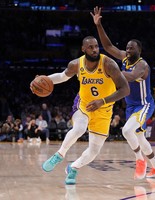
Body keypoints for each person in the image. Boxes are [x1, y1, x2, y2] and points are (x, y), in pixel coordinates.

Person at [34, 36, 129, 185]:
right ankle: (59, 155)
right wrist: (44, 79)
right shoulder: (76, 64)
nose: (94, 49)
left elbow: (125, 89)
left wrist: (102, 101)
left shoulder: (109, 64)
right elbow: (61, 77)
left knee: (93, 151)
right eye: (90, 47)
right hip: (83, 104)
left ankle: (73, 168)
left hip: (104, 109)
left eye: (96, 46)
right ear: (83, 49)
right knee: (79, 128)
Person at [91, 7, 155, 179]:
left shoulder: (142, 65)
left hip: (144, 105)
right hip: (131, 106)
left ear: (139, 50)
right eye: (127, 48)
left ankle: (139, 160)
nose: (128, 50)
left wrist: (112, 70)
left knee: (126, 131)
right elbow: (108, 46)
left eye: (132, 48)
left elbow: (131, 77)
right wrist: (99, 25)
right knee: (140, 138)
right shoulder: (125, 58)